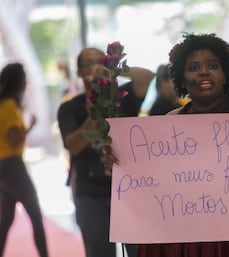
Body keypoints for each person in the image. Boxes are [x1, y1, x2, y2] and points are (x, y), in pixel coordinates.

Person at [104, 33, 229, 257]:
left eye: (213, 65)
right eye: (193, 67)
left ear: (225, 73)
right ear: (181, 78)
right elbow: (149, 183)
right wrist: (118, 164)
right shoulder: (171, 122)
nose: (204, 72)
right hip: (195, 236)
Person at [57, 47, 154, 257]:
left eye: (101, 61)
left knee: (140, 251)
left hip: (130, 189)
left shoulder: (123, 98)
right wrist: (95, 110)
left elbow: (147, 76)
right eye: (91, 63)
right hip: (89, 192)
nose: (97, 67)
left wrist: (114, 69)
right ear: (81, 72)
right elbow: (73, 146)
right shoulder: (69, 108)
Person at [0, 63, 49, 257]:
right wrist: (30, 126)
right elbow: (14, 137)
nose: (27, 81)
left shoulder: (2, 104)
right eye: (25, 77)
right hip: (12, 165)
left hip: (3, 166)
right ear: (18, 81)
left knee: (5, 220)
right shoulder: (10, 106)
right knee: (35, 215)